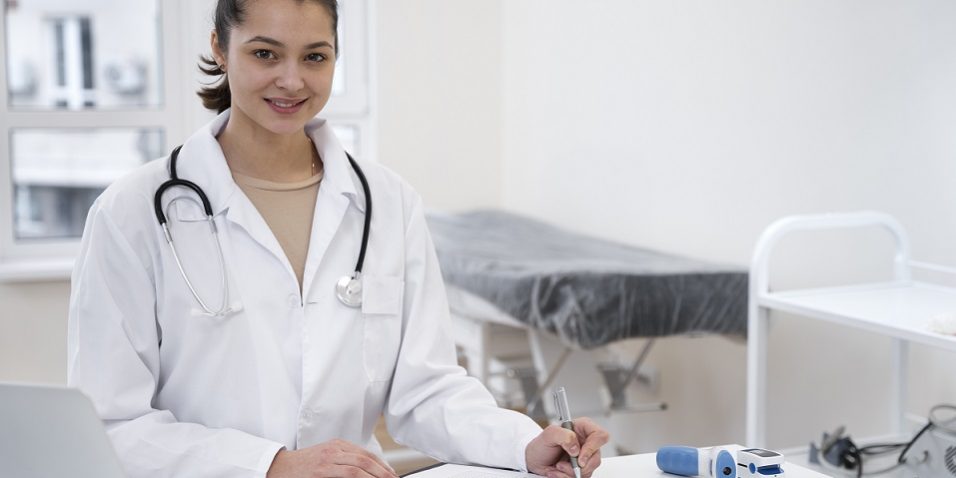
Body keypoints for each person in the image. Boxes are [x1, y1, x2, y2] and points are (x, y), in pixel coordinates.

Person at [67, 0, 609, 477]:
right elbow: (110, 422)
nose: (292, 80)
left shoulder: (387, 202)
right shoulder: (133, 212)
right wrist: (271, 466)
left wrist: (522, 442)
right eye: (264, 54)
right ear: (219, 45)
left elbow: (425, 389)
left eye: (314, 56)